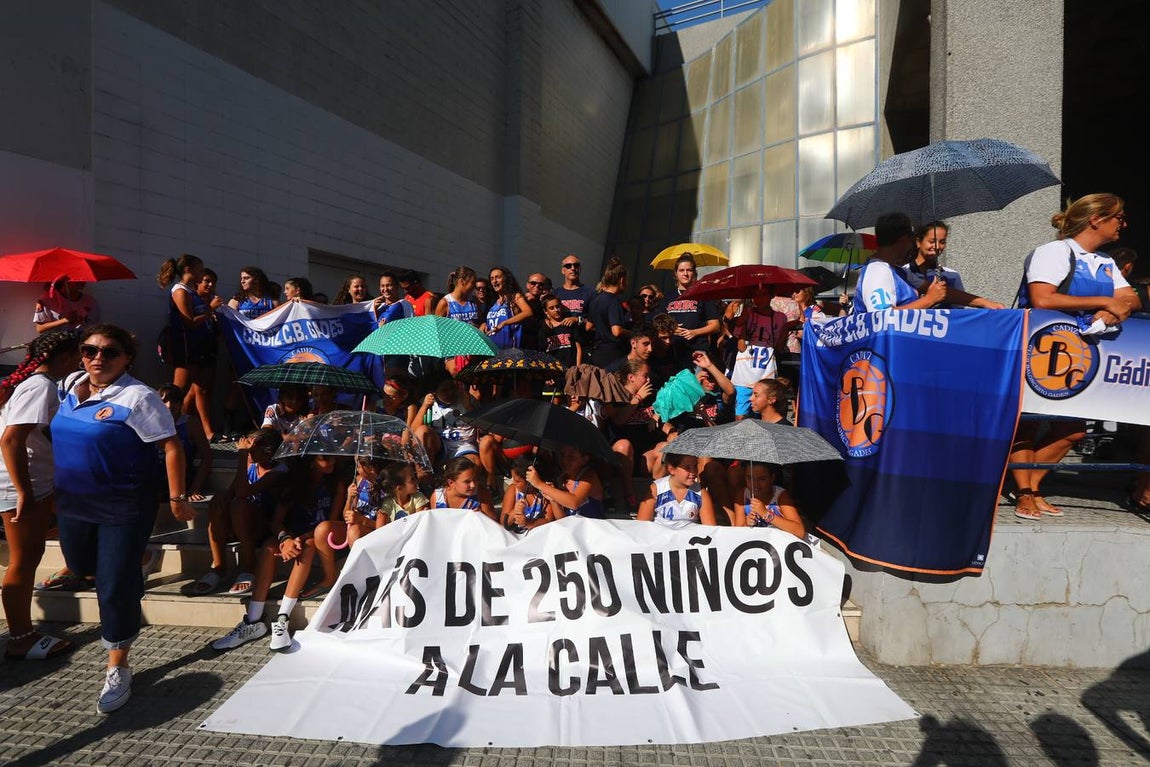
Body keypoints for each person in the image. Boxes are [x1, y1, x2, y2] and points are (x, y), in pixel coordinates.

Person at [51, 324, 196, 712]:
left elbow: (170, 447)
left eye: (109, 352)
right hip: (72, 503)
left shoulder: (139, 397)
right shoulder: (69, 385)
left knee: (113, 588)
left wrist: (177, 498)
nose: (98, 358)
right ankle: (140, 559)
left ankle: (119, 665)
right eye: (90, 350)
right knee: (81, 568)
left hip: (123, 505)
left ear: (127, 358)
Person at [1009, 194, 1138, 520]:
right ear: (1096, 220)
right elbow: (1042, 297)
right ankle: (1024, 492)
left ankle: (1032, 485)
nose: (1123, 224)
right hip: (1039, 348)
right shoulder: (1054, 252)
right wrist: (1104, 302)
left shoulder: (1106, 262)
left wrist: (1114, 310)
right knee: (1028, 423)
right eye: (1118, 217)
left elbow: (1131, 299)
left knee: (1074, 430)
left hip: (1080, 355)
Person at [211, 453, 349, 653]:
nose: (333, 462)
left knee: (307, 547)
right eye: (325, 459)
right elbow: (276, 522)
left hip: (317, 538)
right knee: (269, 546)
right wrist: (285, 539)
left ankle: (282, 618)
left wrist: (299, 540)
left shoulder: (335, 485)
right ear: (311, 463)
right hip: (292, 535)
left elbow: (330, 523)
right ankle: (253, 620)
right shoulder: (292, 486)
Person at [0, 328, 81, 660]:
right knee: (24, 561)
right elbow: (11, 440)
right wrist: (23, 491)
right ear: (63, 357)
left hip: (34, 483)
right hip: (22, 486)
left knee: (29, 556)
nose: (80, 361)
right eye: (78, 355)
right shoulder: (40, 387)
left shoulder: (35, 384)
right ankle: (20, 637)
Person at [194, 428, 290, 597]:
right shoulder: (251, 464)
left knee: (240, 505)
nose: (247, 451)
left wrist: (242, 456)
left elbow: (242, 493)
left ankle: (249, 565)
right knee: (218, 503)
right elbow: (233, 491)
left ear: (266, 453)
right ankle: (219, 566)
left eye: (251, 449)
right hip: (242, 523)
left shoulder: (279, 472)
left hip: (264, 525)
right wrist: (223, 495)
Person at [156, 254, 224, 441]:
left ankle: (206, 431)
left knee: (202, 389)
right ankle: (160, 427)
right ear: (188, 270)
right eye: (199, 269)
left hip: (202, 345)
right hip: (187, 347)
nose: (201, 273)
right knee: (177, 390)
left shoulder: (192, 291)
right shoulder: (179, 291)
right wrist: (211, 308)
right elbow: (190, 321)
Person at [853, 213, 947, 312]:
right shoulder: (878, 271)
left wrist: (964, 299)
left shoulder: (899, 271)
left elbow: (931, 288)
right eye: (911, 240)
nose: (912, 247)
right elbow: (882, 316)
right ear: (904, 240)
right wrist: (929, 299)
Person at [903, 221, 1006, 309]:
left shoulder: (951, 275)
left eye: (942, 242)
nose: (937, 246)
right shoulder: (903, 273)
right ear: (918, 242)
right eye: (932, 241)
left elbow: (958, 309)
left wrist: (986, 303)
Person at [725, 286, 789, 419]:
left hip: (765, 372)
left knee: (766, 415)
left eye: (763, 294)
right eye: (756, 295)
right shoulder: (748, 314)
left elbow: (779, 347)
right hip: (744, 374)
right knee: (740, 416)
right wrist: (744, 320)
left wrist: (786, 329)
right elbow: (741, 346)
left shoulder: (780, 318)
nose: (759, 298)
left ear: (772, 296)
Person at [652, 254, 723, 355]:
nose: (685, 274)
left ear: (694, 273)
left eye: (689, 270)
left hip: (698, 350)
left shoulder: (703, 295)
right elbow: (657, 322)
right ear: (675, 274)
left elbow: (715, 326)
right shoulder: (668, 297)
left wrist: (694, 332)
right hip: (672, 350)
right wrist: (671, 329)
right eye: (681, 270)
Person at [155, 383, 212, 501]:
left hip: (181, 479)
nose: (169, 405)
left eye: (175, 401)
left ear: (181, 403)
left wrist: (195, 487)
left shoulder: (191, 423)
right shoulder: (151, 422)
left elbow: (207, 456)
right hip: (155, 480)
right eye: (164, 401)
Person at [412, 376, 480, 468]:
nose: (450, 393)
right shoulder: (428, 402)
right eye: (444, 391)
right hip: (440, 445)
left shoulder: (466, 398)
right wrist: (425, 406)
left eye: (452, 388)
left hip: (464, 445)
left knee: (474, 463)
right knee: (421, 431)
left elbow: (482, 426)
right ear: (434, 392)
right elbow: (413, 431)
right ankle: (424, 475)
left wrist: (468, 406)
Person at [526, 445, 607, 519]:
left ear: (584, 459)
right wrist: (553, 500)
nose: (564, 460)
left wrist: (540, 484)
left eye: (571, 457)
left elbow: (574, 502)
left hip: (593, 529)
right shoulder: (562, 478)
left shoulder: (589, 476)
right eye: (562, 455)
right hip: (572, 530)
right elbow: (562, 519)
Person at [728, 462, 807, 538]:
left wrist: (766, 514)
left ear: (772, 478)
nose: (755, 484)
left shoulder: (780, 496)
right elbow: (737, 532)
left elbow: (800, 531)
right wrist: (746, 524)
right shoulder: (743, 495)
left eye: (762, 479)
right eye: (750, 478)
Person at [636, 452, 717, 526]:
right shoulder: (656, 489)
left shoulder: (701, 493)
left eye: (695, 466)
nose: (693, 472)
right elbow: (642, 525)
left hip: (688, 539)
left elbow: (710, 528)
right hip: (660, 538)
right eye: (687, 468)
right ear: (671, 469)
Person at [585, 257, 632, 368]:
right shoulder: (613, 301)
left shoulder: (596, 299)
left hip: (597, 352)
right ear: (621, 280)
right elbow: (617, 331)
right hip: (613, 354)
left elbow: (588, 326)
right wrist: (634, 333)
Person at [429, 456, 498, 522]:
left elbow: (494, 526)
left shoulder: (481, 495)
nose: (473, 485)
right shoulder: (438, 497)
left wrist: (482, 517)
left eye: (475, 479)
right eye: (467, 482)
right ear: (451, 483)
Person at [501, 455, 556, 533]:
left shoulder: (544, 493)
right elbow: (503, 521)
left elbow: (549, 520)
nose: (513, 483)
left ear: (530, 481)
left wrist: (529, 523)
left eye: (517, 481)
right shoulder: (513, 489)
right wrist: (514, 512)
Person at [484, 266, 534, 349]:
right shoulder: (494, 302)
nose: (494, 281)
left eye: (498, 277)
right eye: (492, 278)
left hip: (510, 350)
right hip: (494, 349)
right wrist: (485, 324)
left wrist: (505, 323)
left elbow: (528, 312)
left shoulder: (515, 297)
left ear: (506, 279)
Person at [553, 254, 596, 345]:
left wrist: (578, 319)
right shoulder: (555, 293)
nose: (572, 268)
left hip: (583, 342)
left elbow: (596, 321)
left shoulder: (590, 292)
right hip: (560, 344)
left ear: (580, 269)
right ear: (563, 270)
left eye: (576, 265)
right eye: (568, 266)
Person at [33, 276, 100, 333]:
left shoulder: (90, 301)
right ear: (65, 281)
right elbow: (40, 328)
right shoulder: (48, 300)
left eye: (84, 278)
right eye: (77, 278)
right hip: (57, 343)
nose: (82, 281)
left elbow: (95, 327)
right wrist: (64, 320)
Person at [541, 294, 582, 368]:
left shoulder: (569, 324)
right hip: (554, 371)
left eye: (557, 306)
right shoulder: (544, 329)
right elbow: (543, 353)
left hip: (572, 368)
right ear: (546, 311)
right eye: (551, 308)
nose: (556, 310)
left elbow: (578, 348)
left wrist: (577, 367)